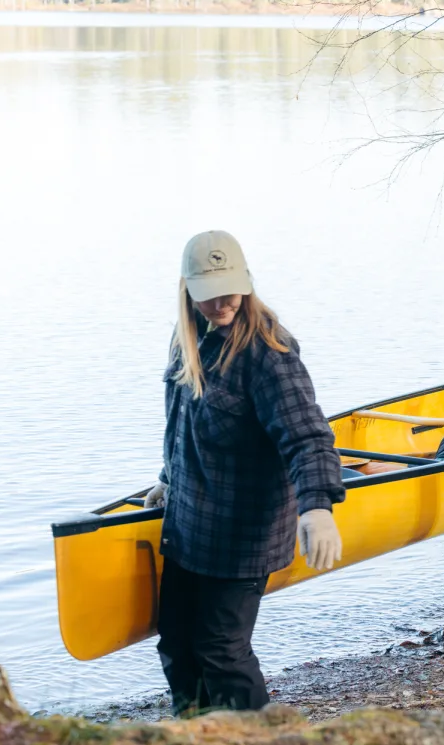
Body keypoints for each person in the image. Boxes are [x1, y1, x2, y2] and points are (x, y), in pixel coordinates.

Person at [143, 230, 346, 716]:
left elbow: (307, 437)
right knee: (176, 641)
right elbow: (182, 423)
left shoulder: (268, 354)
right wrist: (168, 478)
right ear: (187, 289)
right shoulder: (189, 340)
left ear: (248, 282)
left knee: (221, 648)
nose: (221, 301)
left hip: (241, 538)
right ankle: (200, 740)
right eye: (209, 291)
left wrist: (317, 507)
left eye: (231, 287)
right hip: (190, 527)